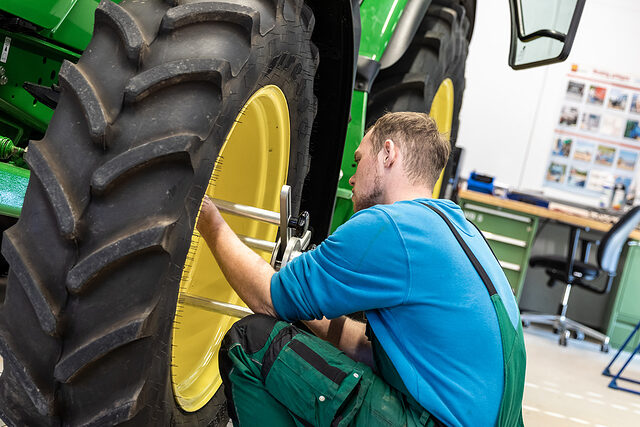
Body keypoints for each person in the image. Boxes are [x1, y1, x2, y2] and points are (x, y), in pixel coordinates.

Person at [197, 112, 526, 427]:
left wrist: (206, 216)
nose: (352, 177)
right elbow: (366, 351)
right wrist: (305, 301)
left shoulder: (390, 226)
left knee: (251, 340)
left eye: (358, 160)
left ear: (388, 154)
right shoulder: (459, 232)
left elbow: (268, 298)